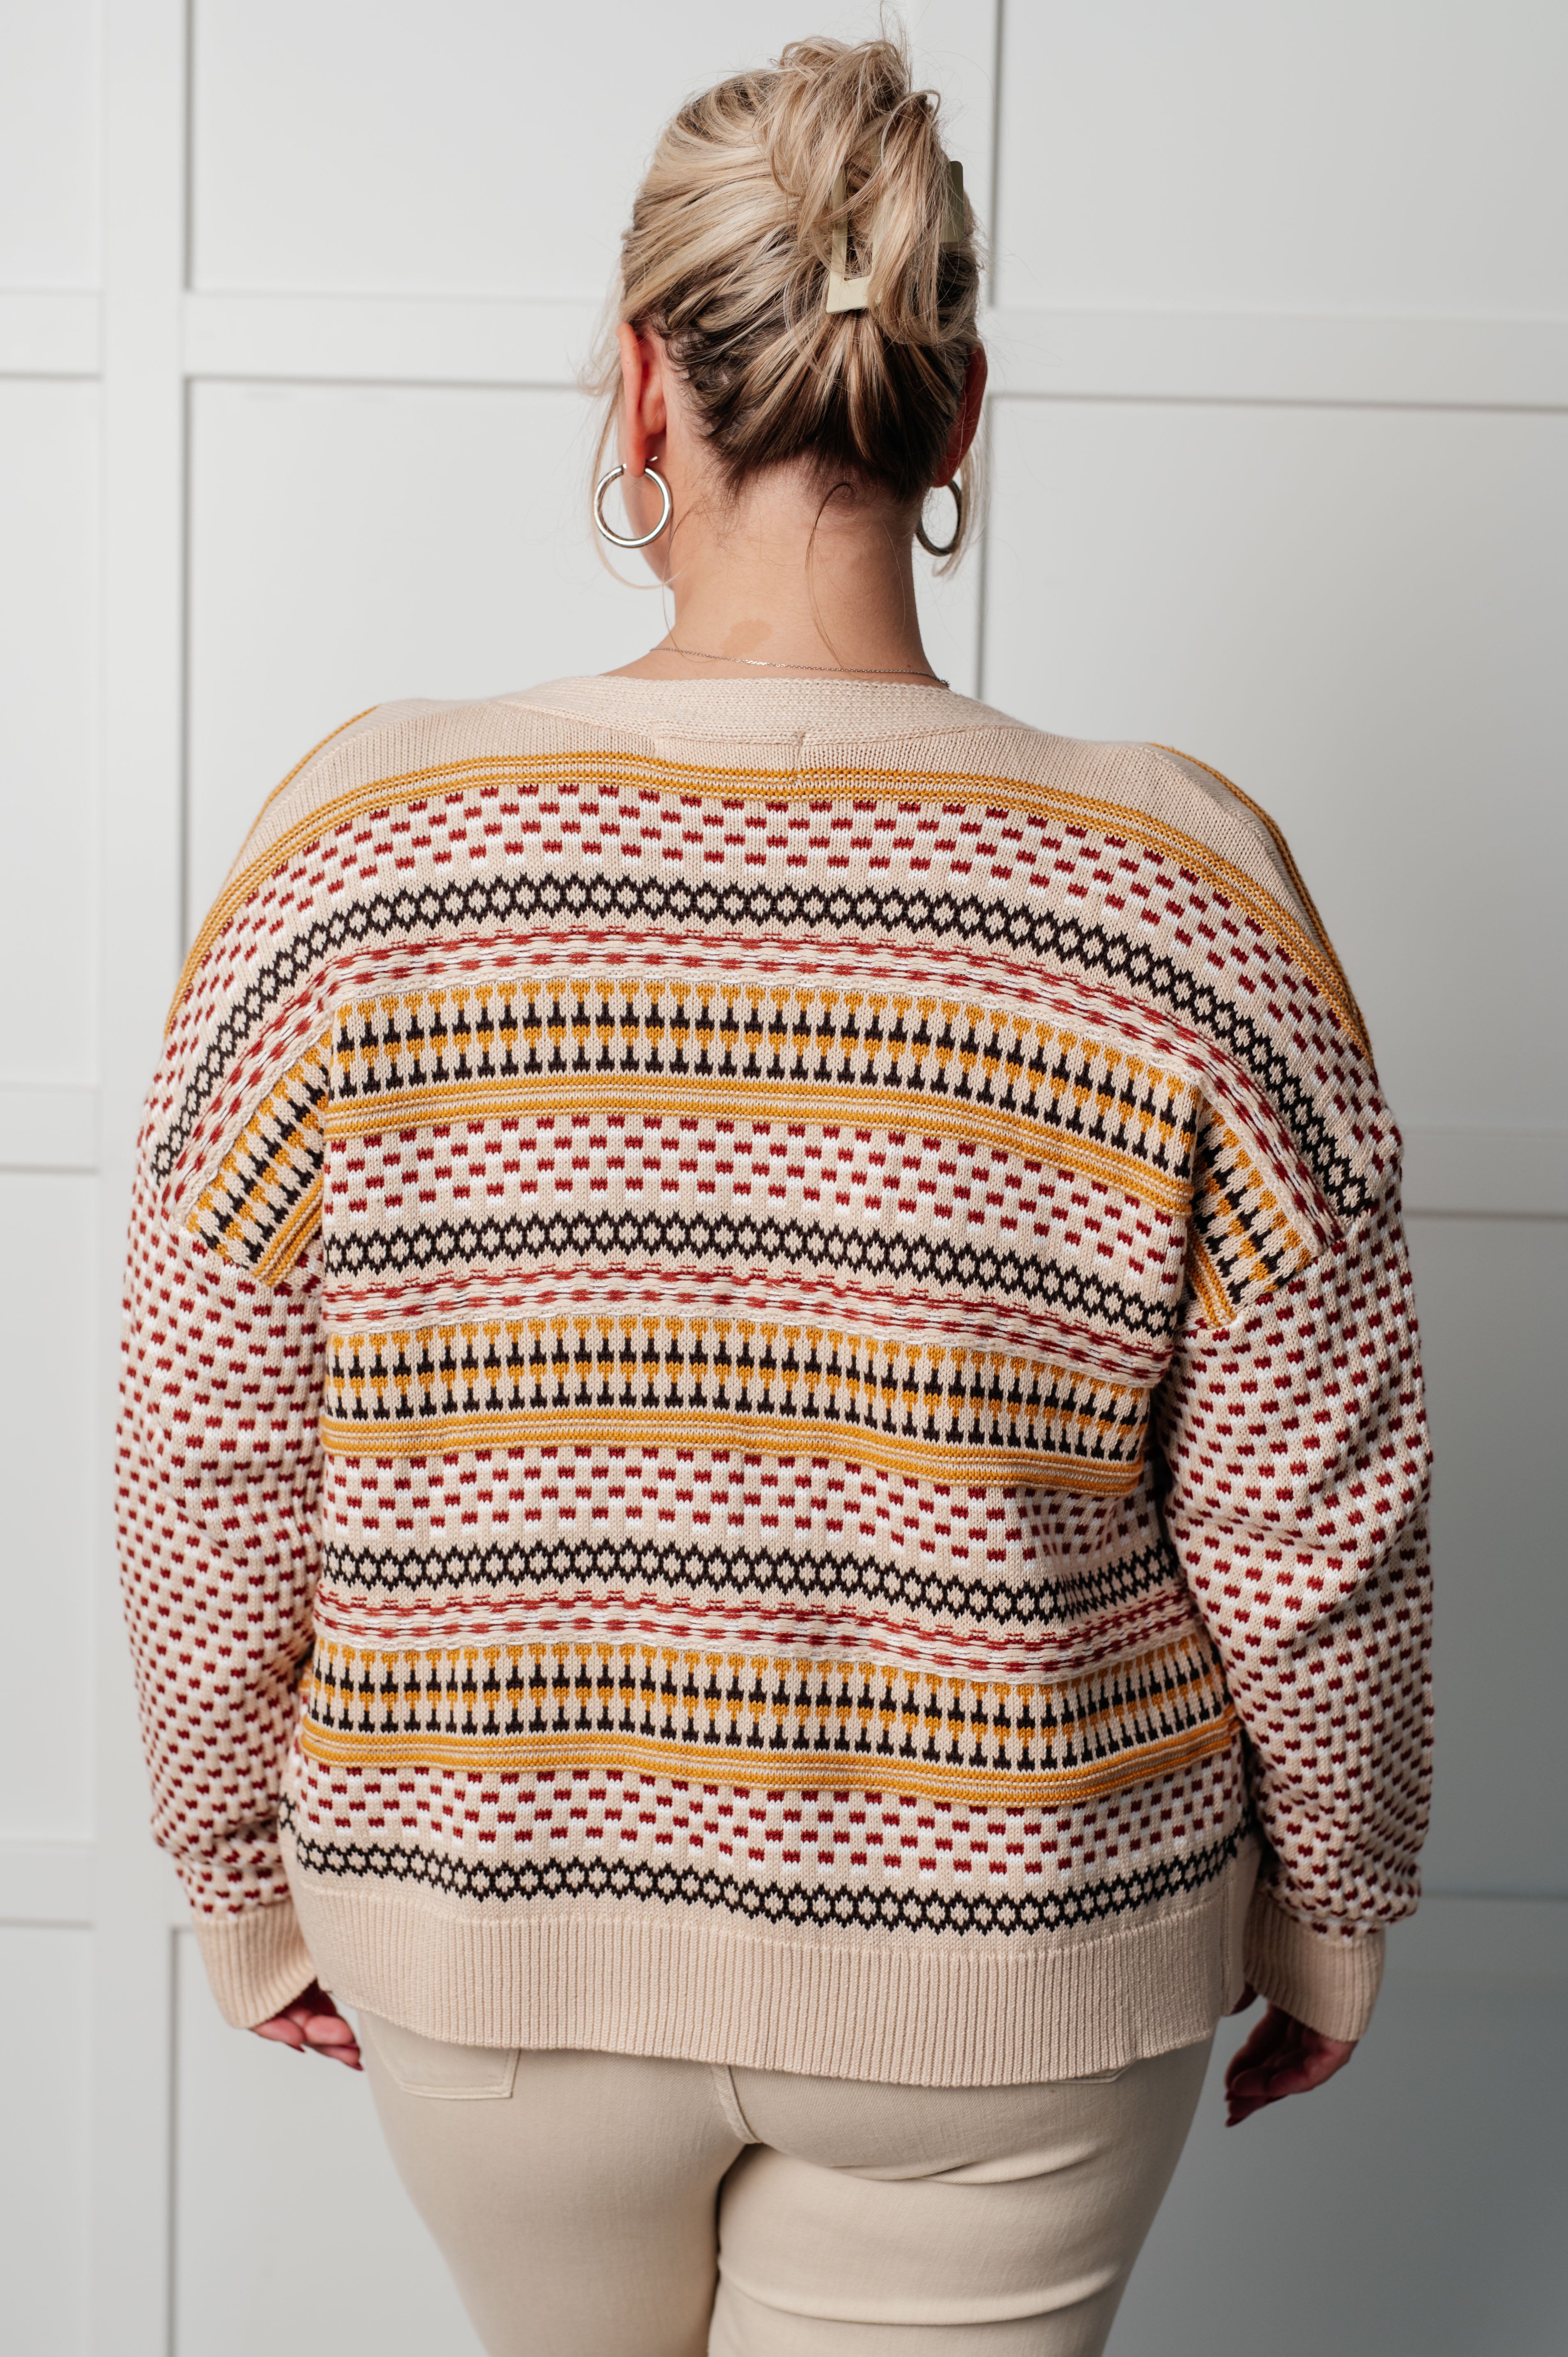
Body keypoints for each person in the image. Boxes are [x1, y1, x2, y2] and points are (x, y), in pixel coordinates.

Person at [117, 32, 1432, 2357]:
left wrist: (235, 1869)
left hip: (492, 1938)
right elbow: (1315, 1520)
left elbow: (210, 1441)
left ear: (644, 384)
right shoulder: (1186, 895)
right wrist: (1331, 1901)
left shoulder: (355, 859)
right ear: (958, 411)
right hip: (1014, 1968)